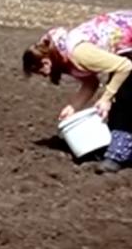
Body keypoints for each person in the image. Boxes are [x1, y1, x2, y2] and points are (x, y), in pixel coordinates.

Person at [23, 10, 132, 172]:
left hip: (127, 56)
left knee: (123, 98)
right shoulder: (63, 58)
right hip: (126, 54)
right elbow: (91, 83)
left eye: (39, 72)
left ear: (45, 62)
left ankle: (117, 155)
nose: (44, 76)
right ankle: (116, 148)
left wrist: (107, 98)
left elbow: (125, 67)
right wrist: (73, 107)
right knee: (117, 92)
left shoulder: (78, 53)